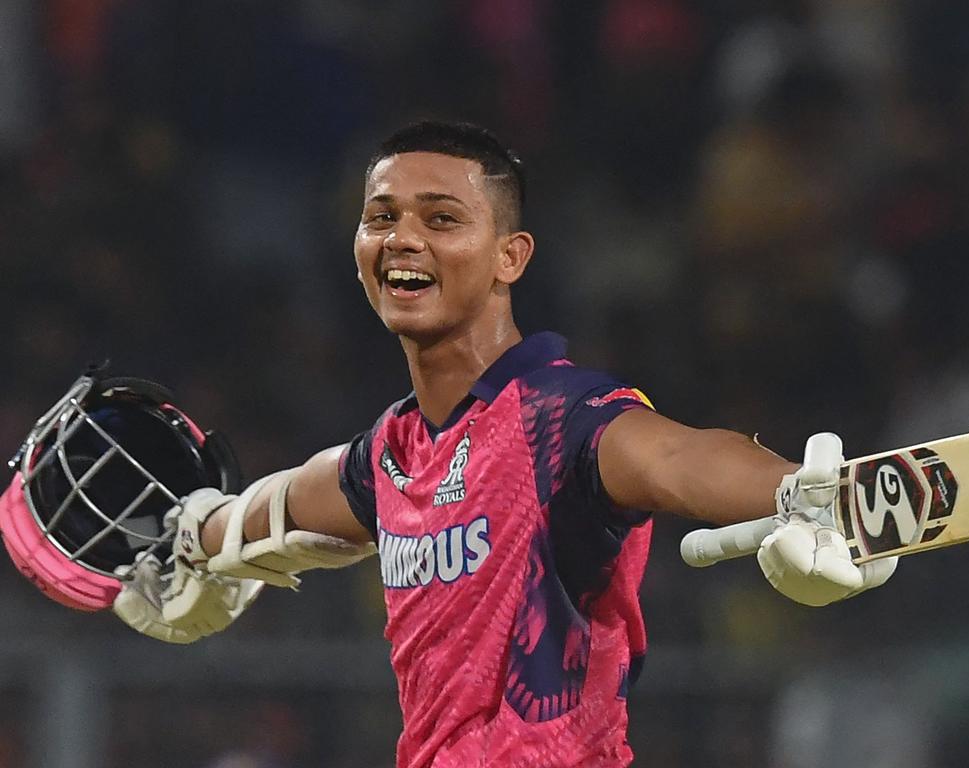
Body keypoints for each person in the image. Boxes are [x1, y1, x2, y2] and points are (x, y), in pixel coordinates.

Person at [111, 121, 897, 767]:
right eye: (381, 217)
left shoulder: (560, 415)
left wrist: (793, 490)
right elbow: (279, 508)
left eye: (441, 218)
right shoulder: (391, 451)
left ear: (509, 257)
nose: (403, 239)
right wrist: (189, 539)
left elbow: (675, 458)